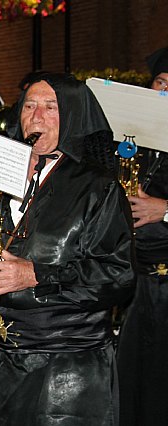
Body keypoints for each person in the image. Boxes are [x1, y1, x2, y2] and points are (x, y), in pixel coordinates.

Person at [0, 73, 135, 425]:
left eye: (50, 107)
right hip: (0, 356)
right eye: (29, 106)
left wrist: (36, 275)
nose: (36, 117)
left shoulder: (98, 187)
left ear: (73, 115)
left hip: (68, 365)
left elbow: (118, 276)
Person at [116, 46, 168, 426]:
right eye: (161, 83)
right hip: (135, 281)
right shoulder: (133, 137)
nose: (165, 94)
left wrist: (164, 209)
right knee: (131, 381)